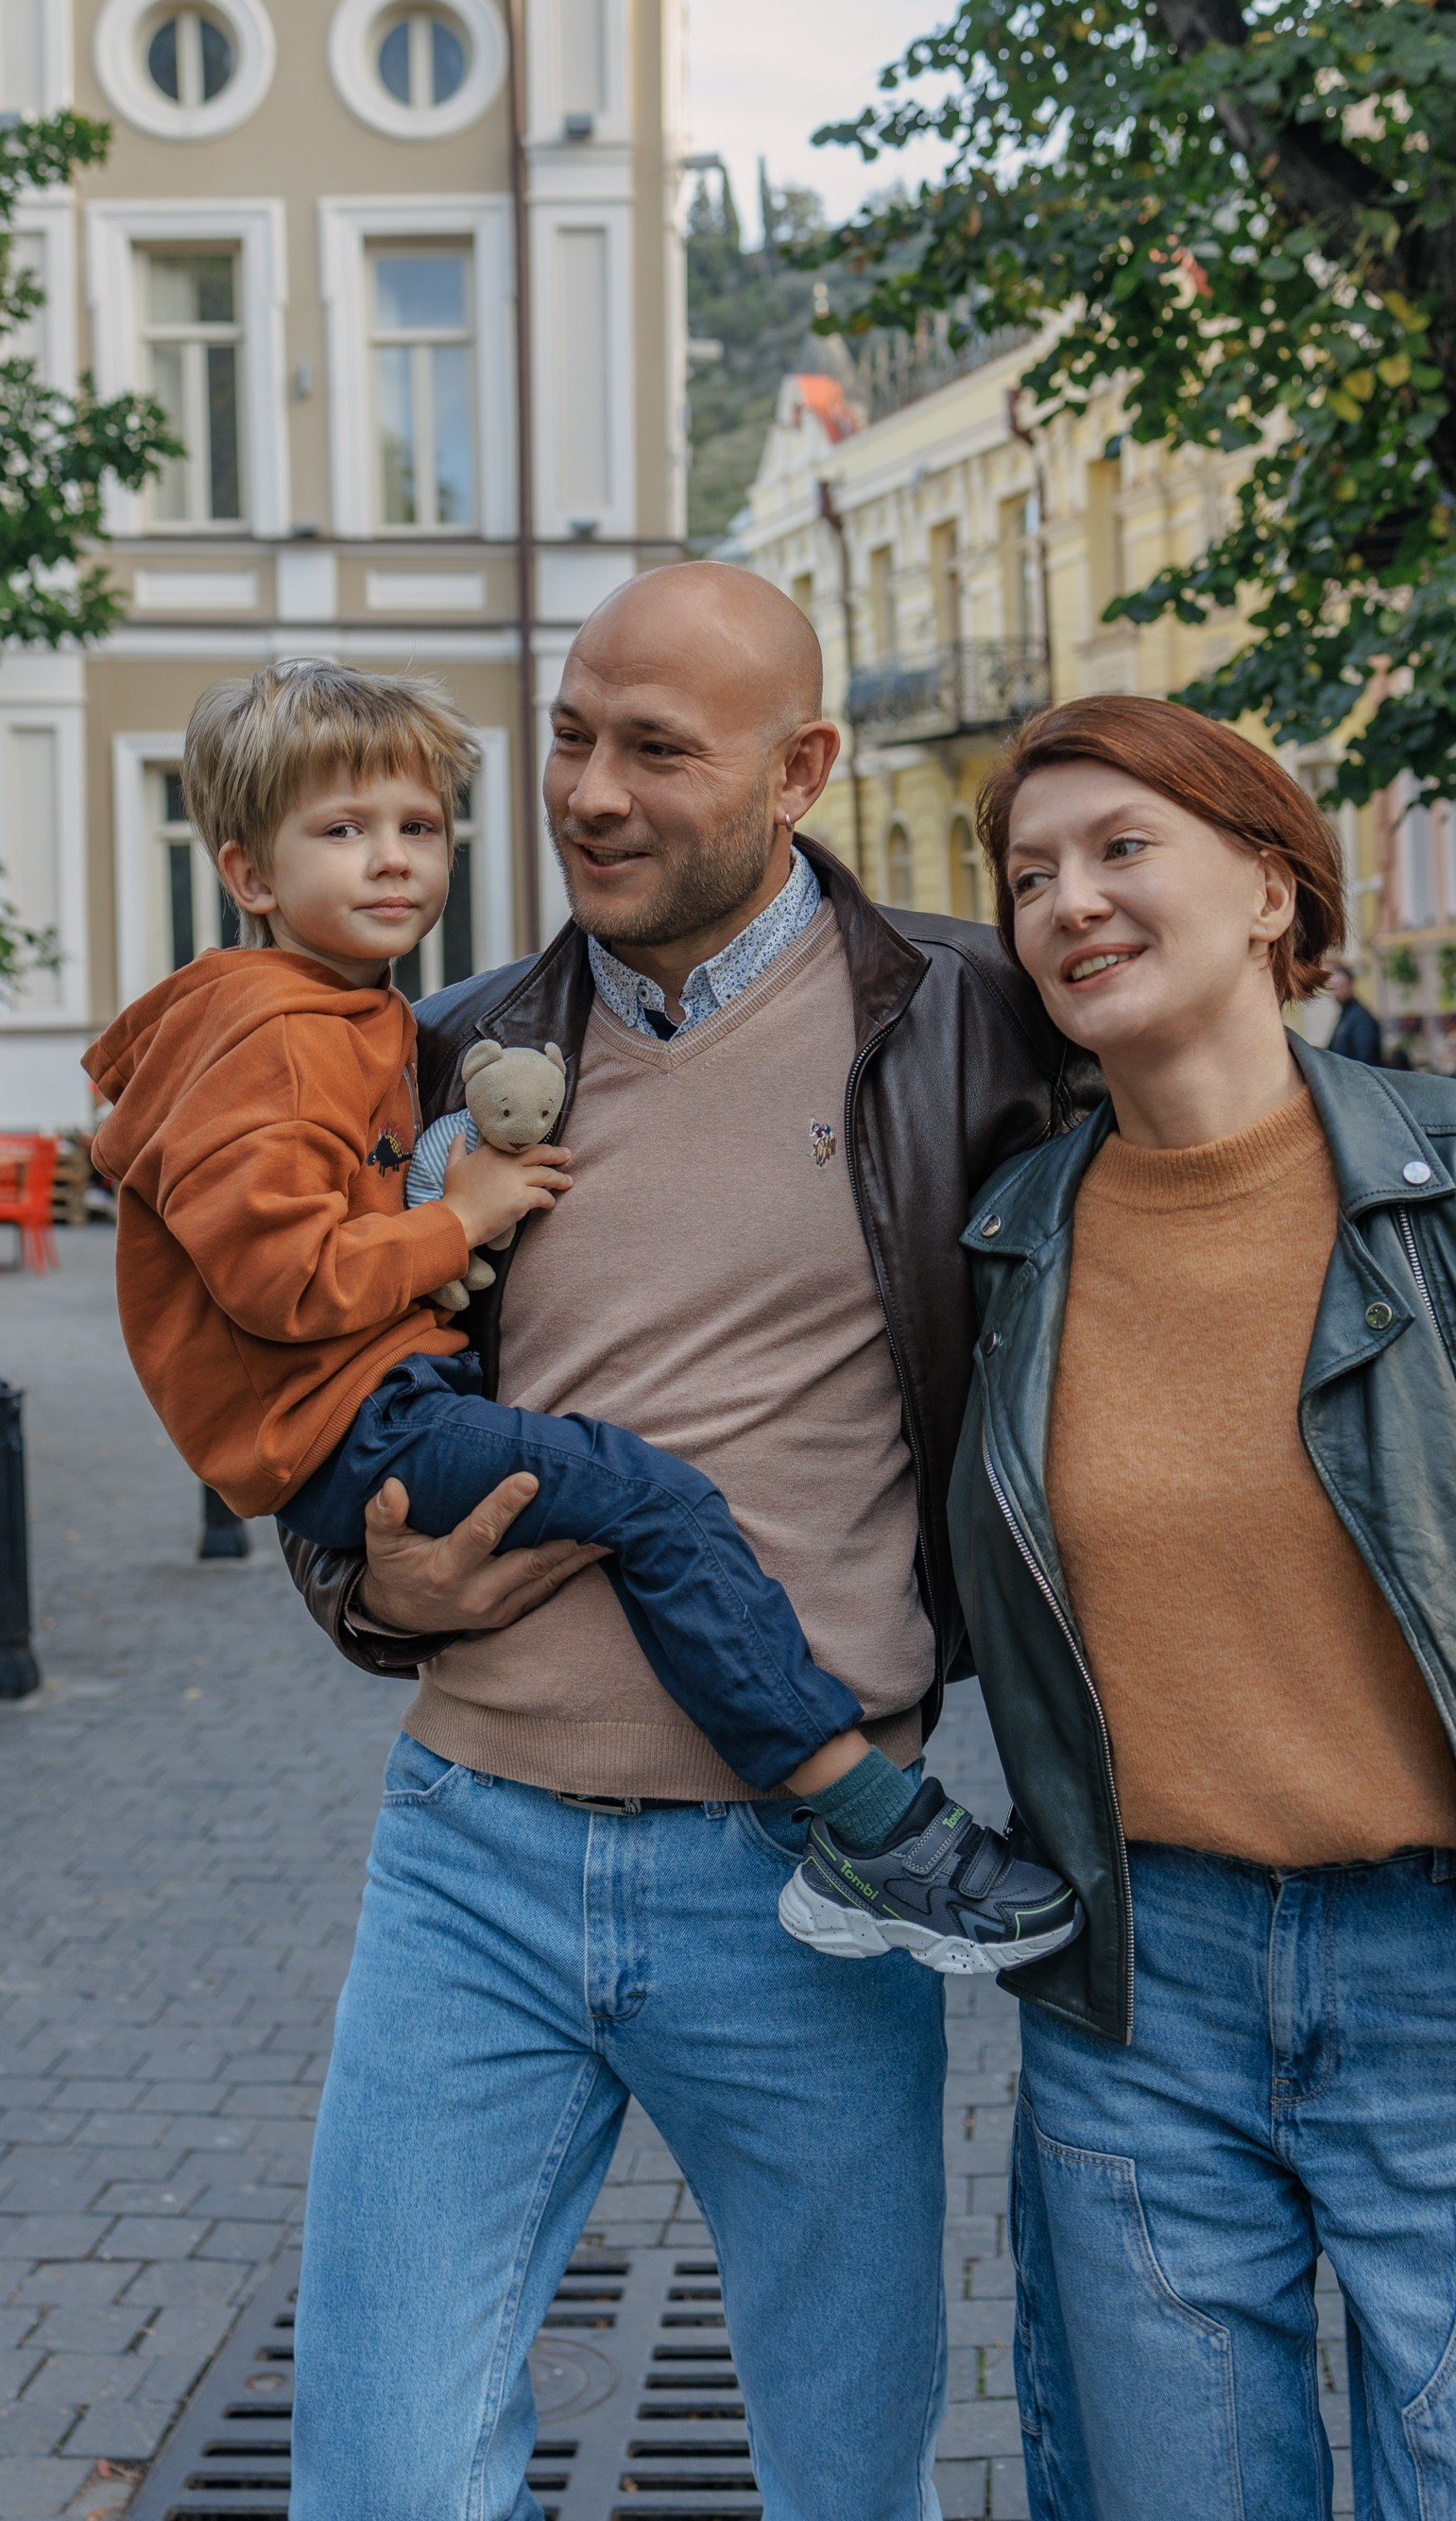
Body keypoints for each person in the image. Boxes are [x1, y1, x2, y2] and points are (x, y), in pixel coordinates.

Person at [272, 571, 1101, 2521]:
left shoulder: (969, 1021)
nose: (591, 790)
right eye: (571, 734)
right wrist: (361, 1590)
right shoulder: (452, 1047)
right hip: (466, 1865)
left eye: (658, 748)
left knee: (844, 2474)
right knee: (381, 2476)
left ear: (801, 768)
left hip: (813, 1883)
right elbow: (316, 1381)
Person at [950, 692, 1456, 2520]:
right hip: (1138, 1998)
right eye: (1031, 874)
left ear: (1275, 893)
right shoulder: (1007, 1238)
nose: (1068, 902)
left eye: (1123, 849)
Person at [83, 660, 1073, 1977]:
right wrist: (465, 1217)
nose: (392, 863)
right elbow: (283, 1291)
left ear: (798, 772)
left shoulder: (973, 1005)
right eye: (344, 832)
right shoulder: (308, 1035)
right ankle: (869, 1823)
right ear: (248, 874)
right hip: (407, 1563)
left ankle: (850, 1805)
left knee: (627, 1496)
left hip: (395, 1428)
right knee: (649, 1498)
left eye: (419, 829)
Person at [1325, 952, 1384, 1063]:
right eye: (1333, 989)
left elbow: (1365, 1058)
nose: (1336, 993)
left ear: (1350, 986)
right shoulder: (1345, 1015)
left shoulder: (1361, 1018)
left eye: (1339, 987)